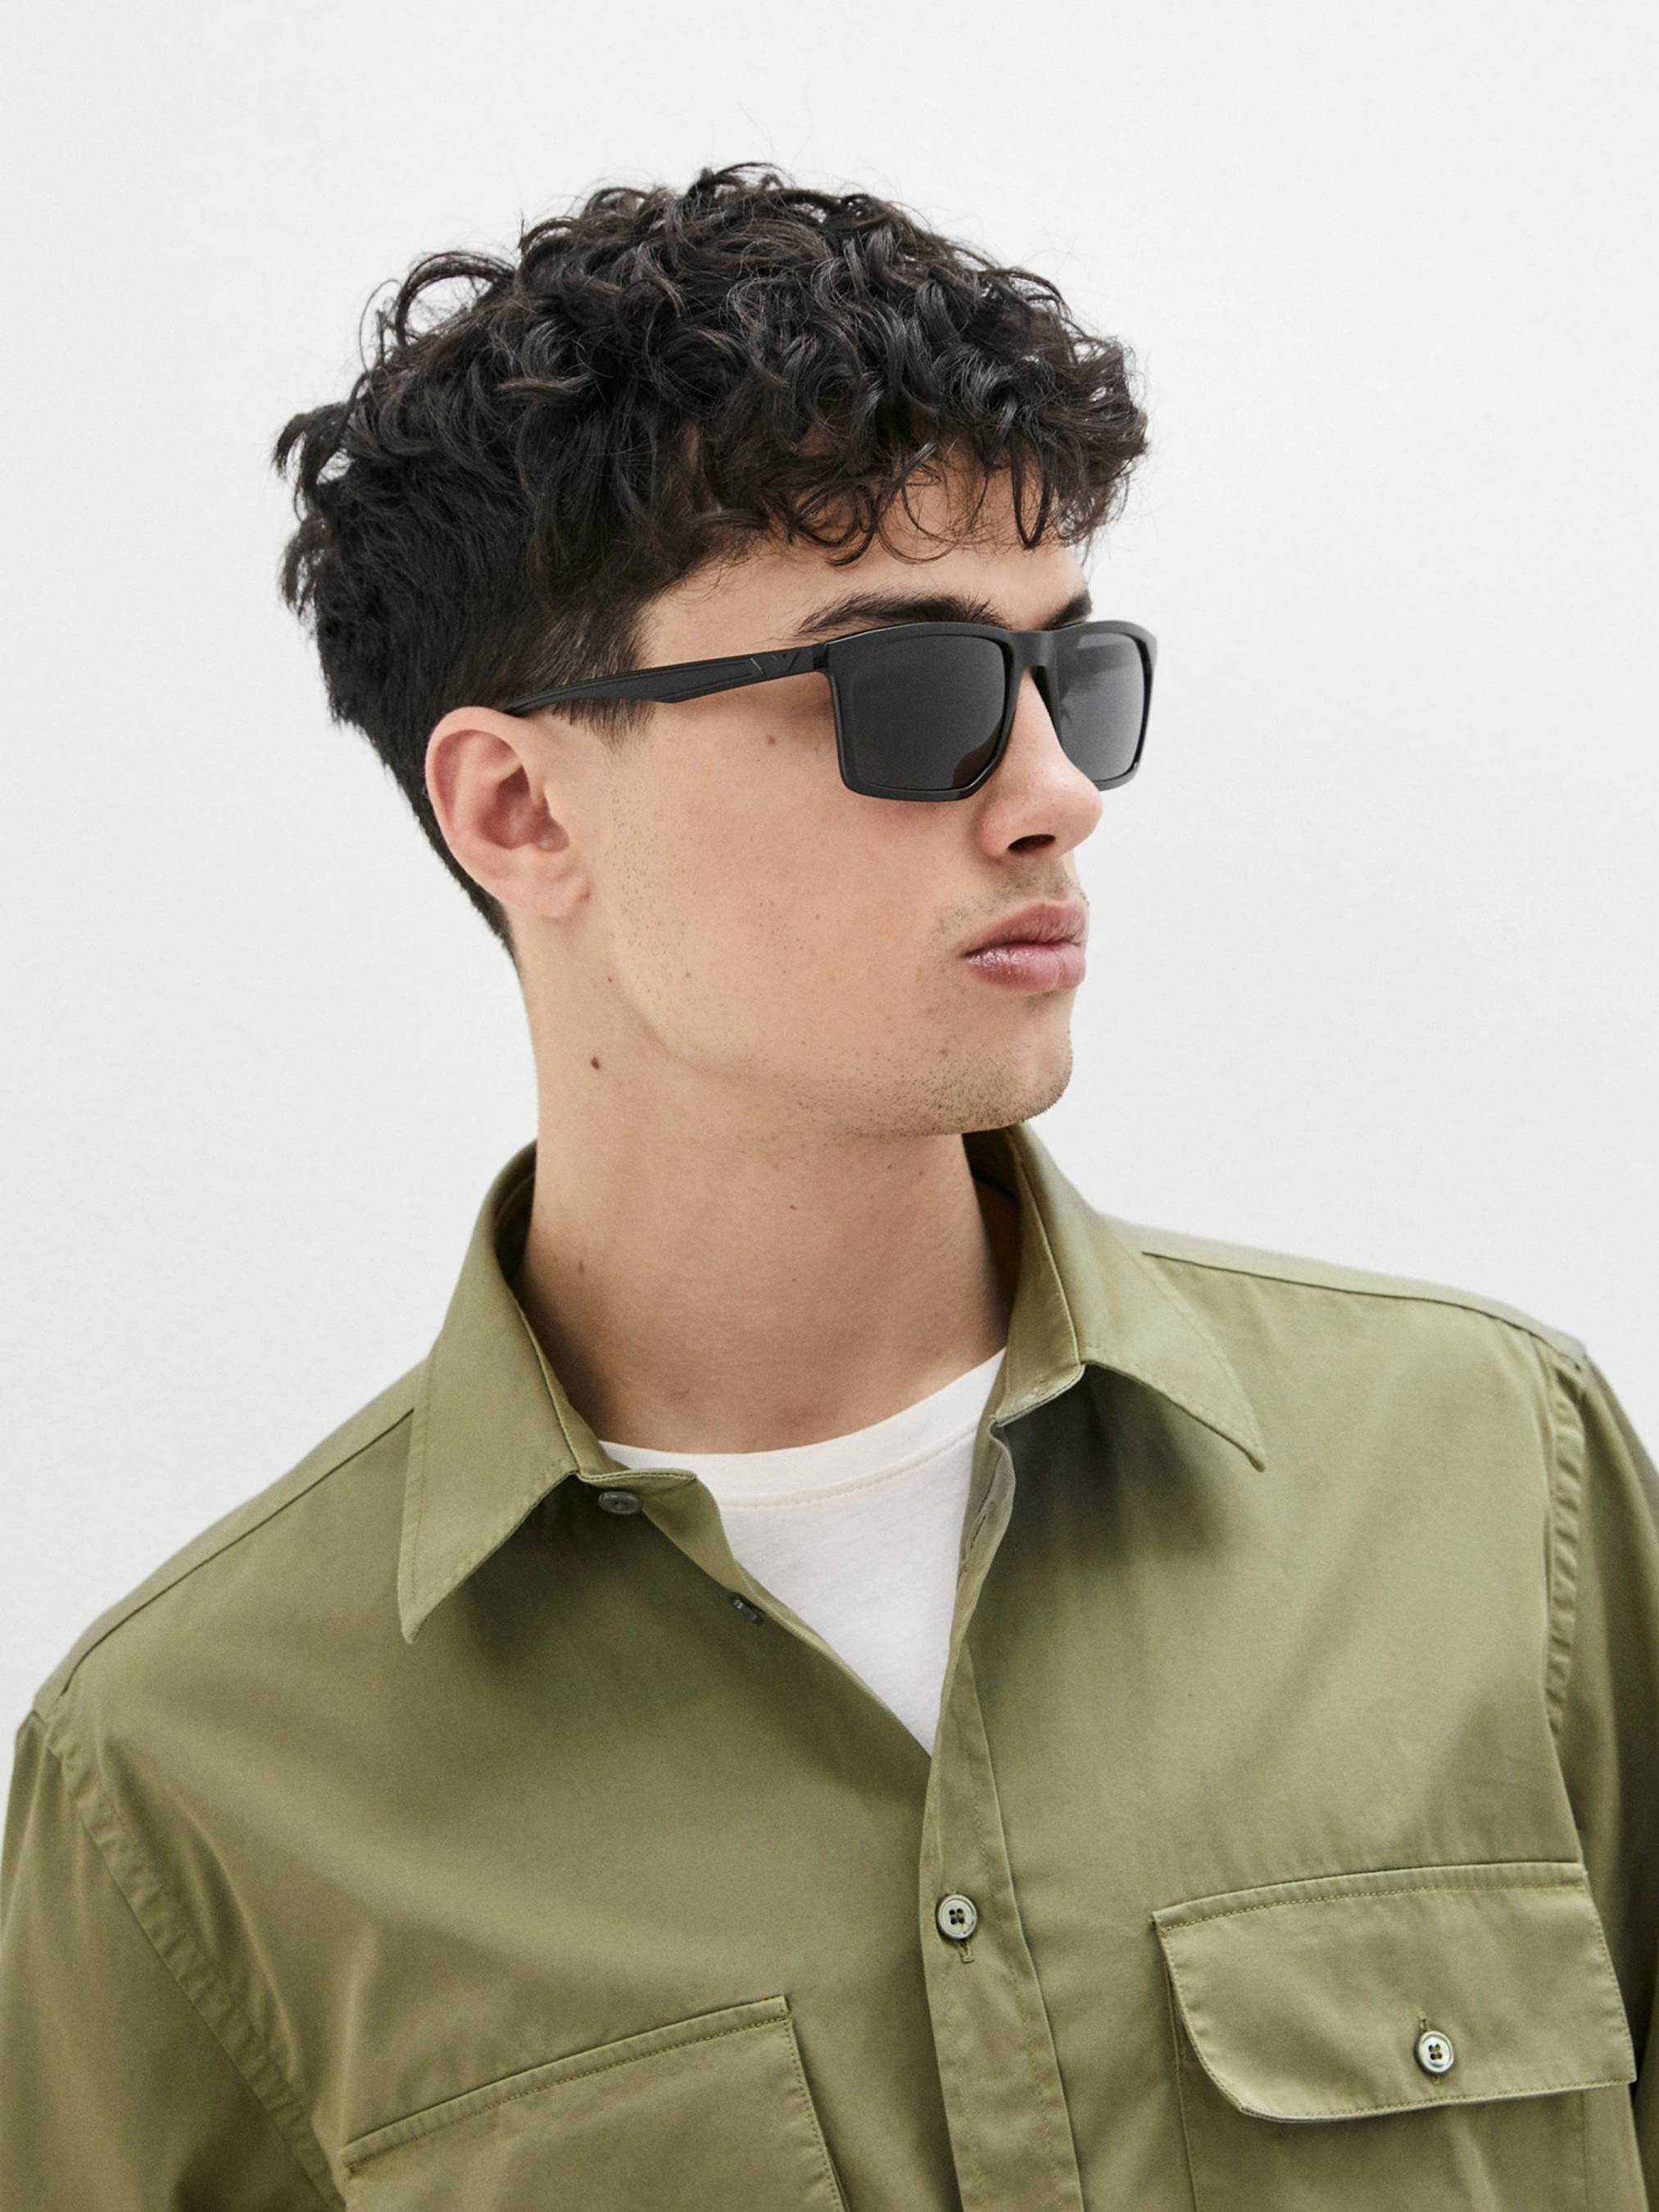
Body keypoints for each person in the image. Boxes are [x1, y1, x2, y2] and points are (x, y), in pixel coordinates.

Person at [0, 165, 1653, 2212]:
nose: (1053, 795)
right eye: (913, 695)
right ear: (519, 807)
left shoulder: (1497, 1487)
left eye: (1071, 675)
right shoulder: (183, 1791)